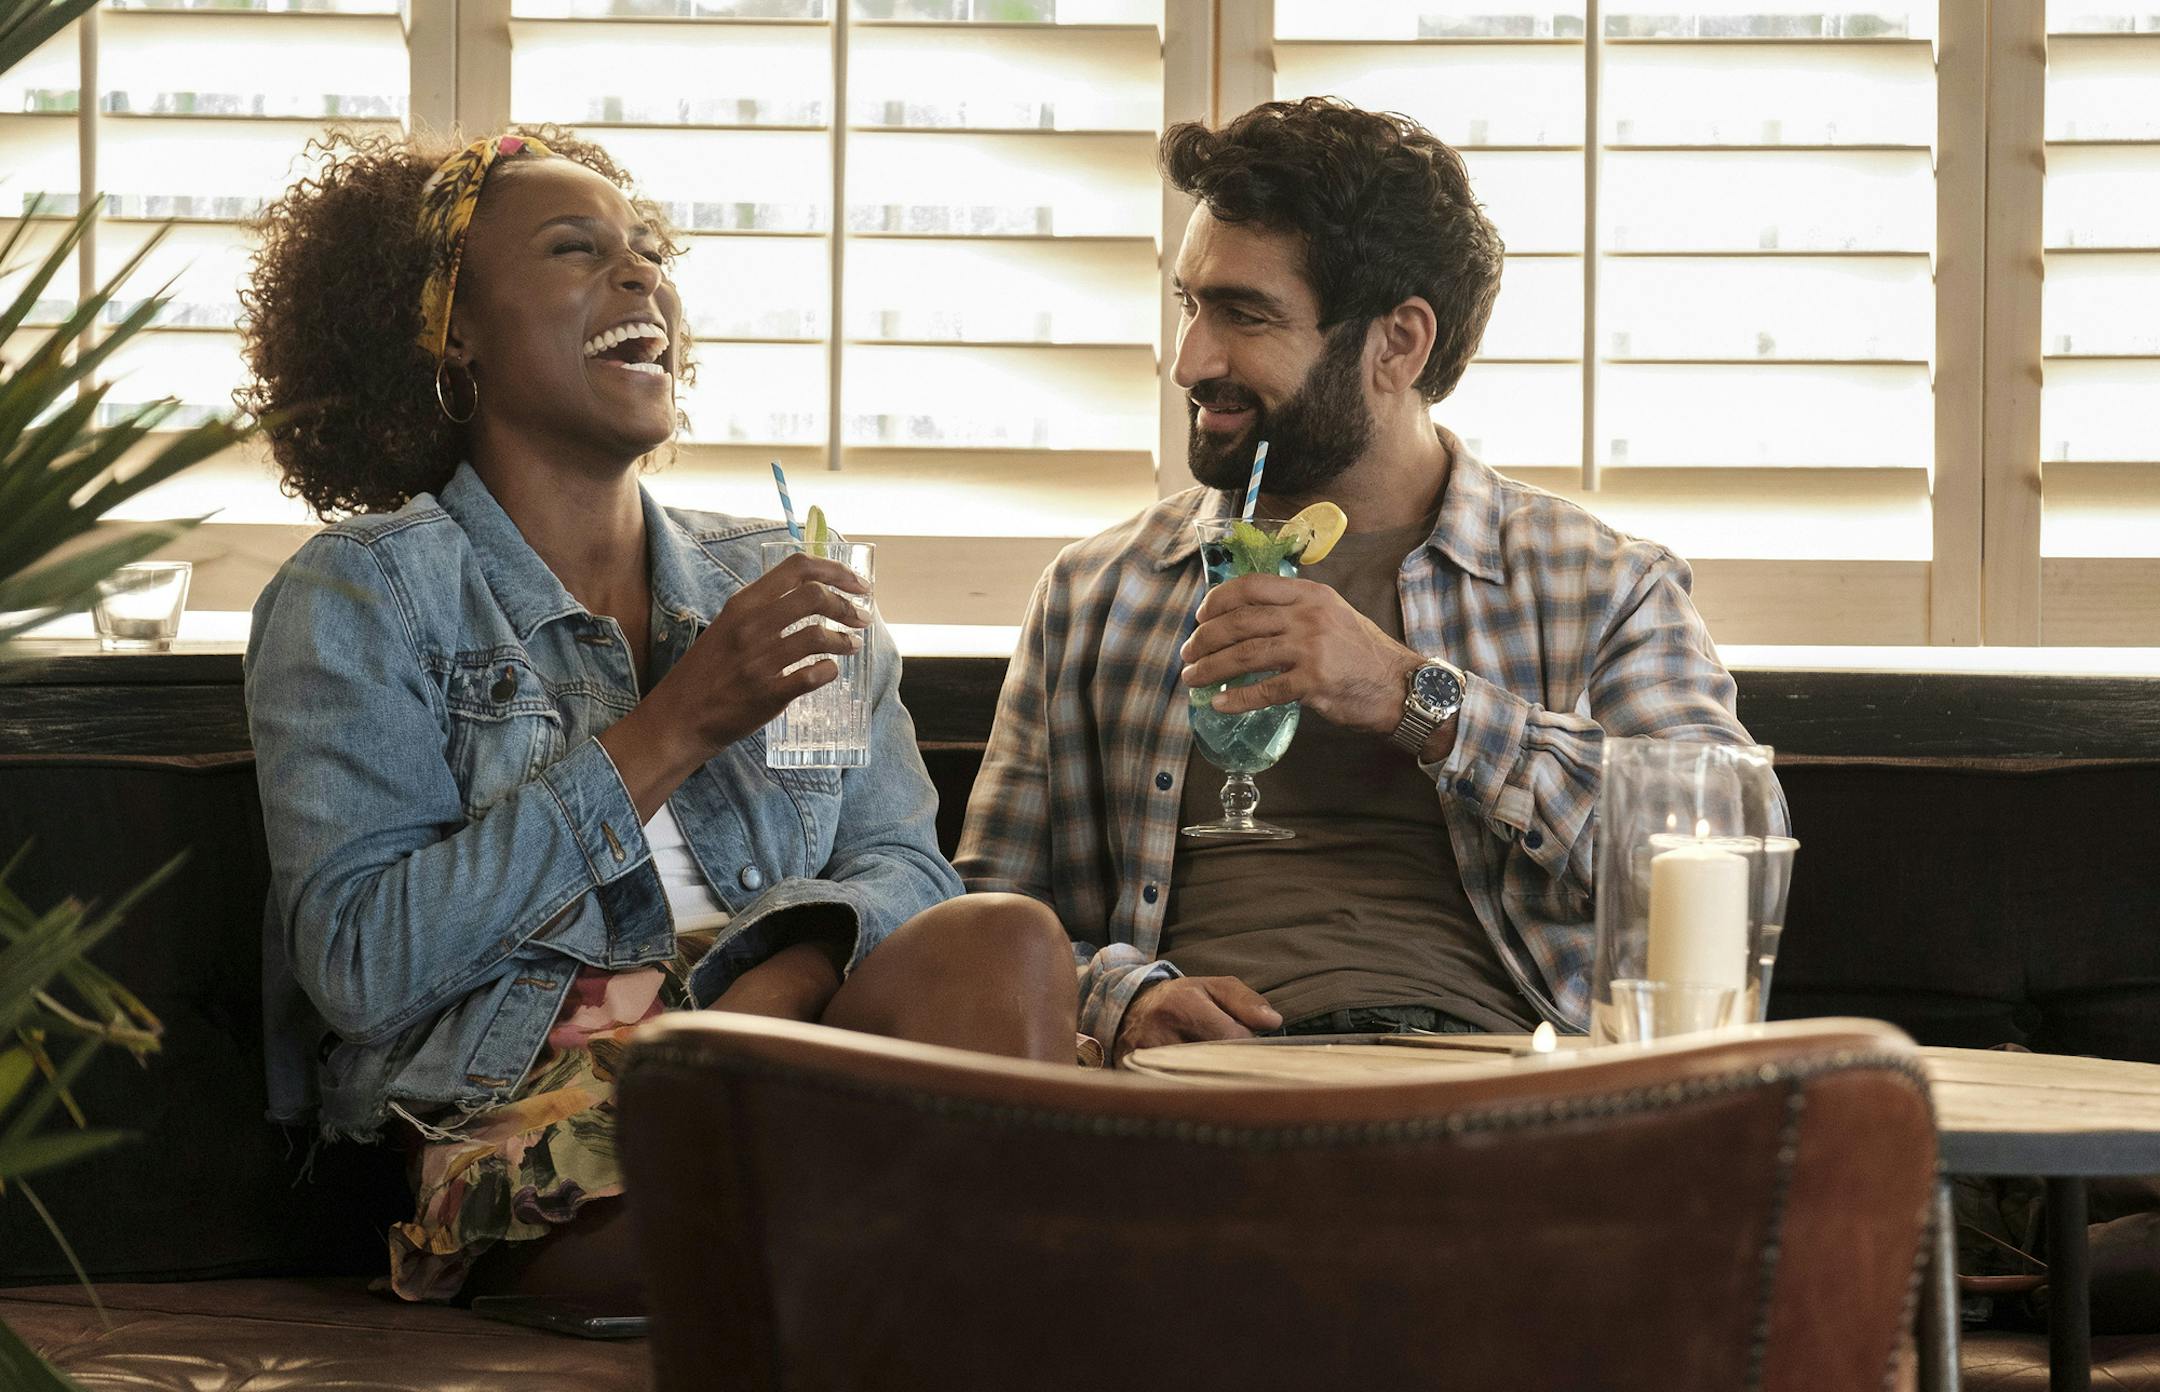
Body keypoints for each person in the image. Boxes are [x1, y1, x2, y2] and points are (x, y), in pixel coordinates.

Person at [239, 127, 1075, 1305]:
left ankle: (930, 1256)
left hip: (799, 1063)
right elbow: (364, 965)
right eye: (575, 249)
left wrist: (771, 991)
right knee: (914, 1211)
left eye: (647, 252)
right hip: (537, 1116)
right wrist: (677, 723)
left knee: (1008, 942)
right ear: (453, 328)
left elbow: (904, 871)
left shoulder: (783, 577)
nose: (640, 275)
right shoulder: (364, 593)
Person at [955, 97, 1779, 1064]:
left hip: (1494, 1088)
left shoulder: (1599, 584)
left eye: (1244, 315)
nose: (1189, 361)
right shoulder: (1096, 593)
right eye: (1189, 304)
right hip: (1189, 1095)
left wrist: (1412, 696)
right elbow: (985, 920)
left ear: (1398, 344)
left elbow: (1728, 845)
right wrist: (1122, 999)